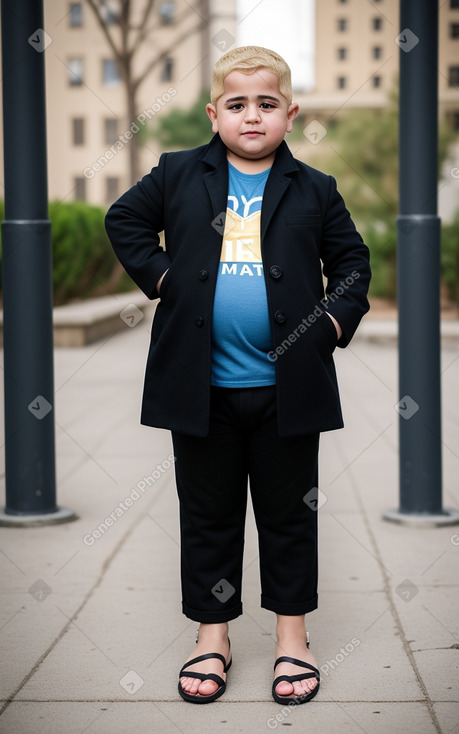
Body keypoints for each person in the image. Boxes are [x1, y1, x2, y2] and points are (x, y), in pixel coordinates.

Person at [105, 45, 371, 706]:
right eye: (237, 104)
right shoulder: (175, 174)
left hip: (287, 393)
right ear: (213, 113)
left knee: (288, 518)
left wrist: (330, 327)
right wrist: (164, 279)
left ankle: (290, 640)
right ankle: (212, 636)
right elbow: (124, 221)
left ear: (289, 113)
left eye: (266, 104)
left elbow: (352, 267)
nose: (251, 116)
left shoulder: (314, 189)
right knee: (208, 516)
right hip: (202, 392)